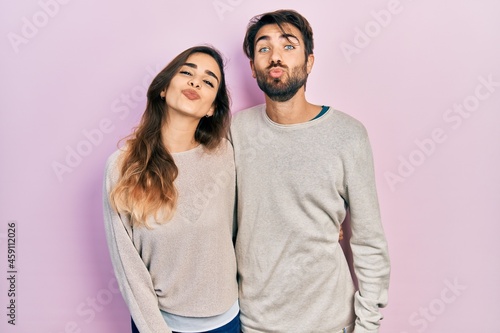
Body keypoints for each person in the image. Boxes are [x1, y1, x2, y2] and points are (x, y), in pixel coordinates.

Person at [230, 10, 391, 333]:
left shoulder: (348, 134)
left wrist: (368, 324)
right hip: (255, 322)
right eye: (264, 48)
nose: (275, 56)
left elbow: (369, 240)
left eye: (289, 46)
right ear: (252, 68)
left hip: (330, 322)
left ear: (310, 61)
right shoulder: (236, 131)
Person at [102, 45, 240, 333]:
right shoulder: (123, 165)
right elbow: (128, 267)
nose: (195, 82)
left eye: (208, 80)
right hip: (159, 325)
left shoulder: (224, 155)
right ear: (164, 89)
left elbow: (247, 222)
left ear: (212, 107)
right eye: (187, 72)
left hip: (227, 321)